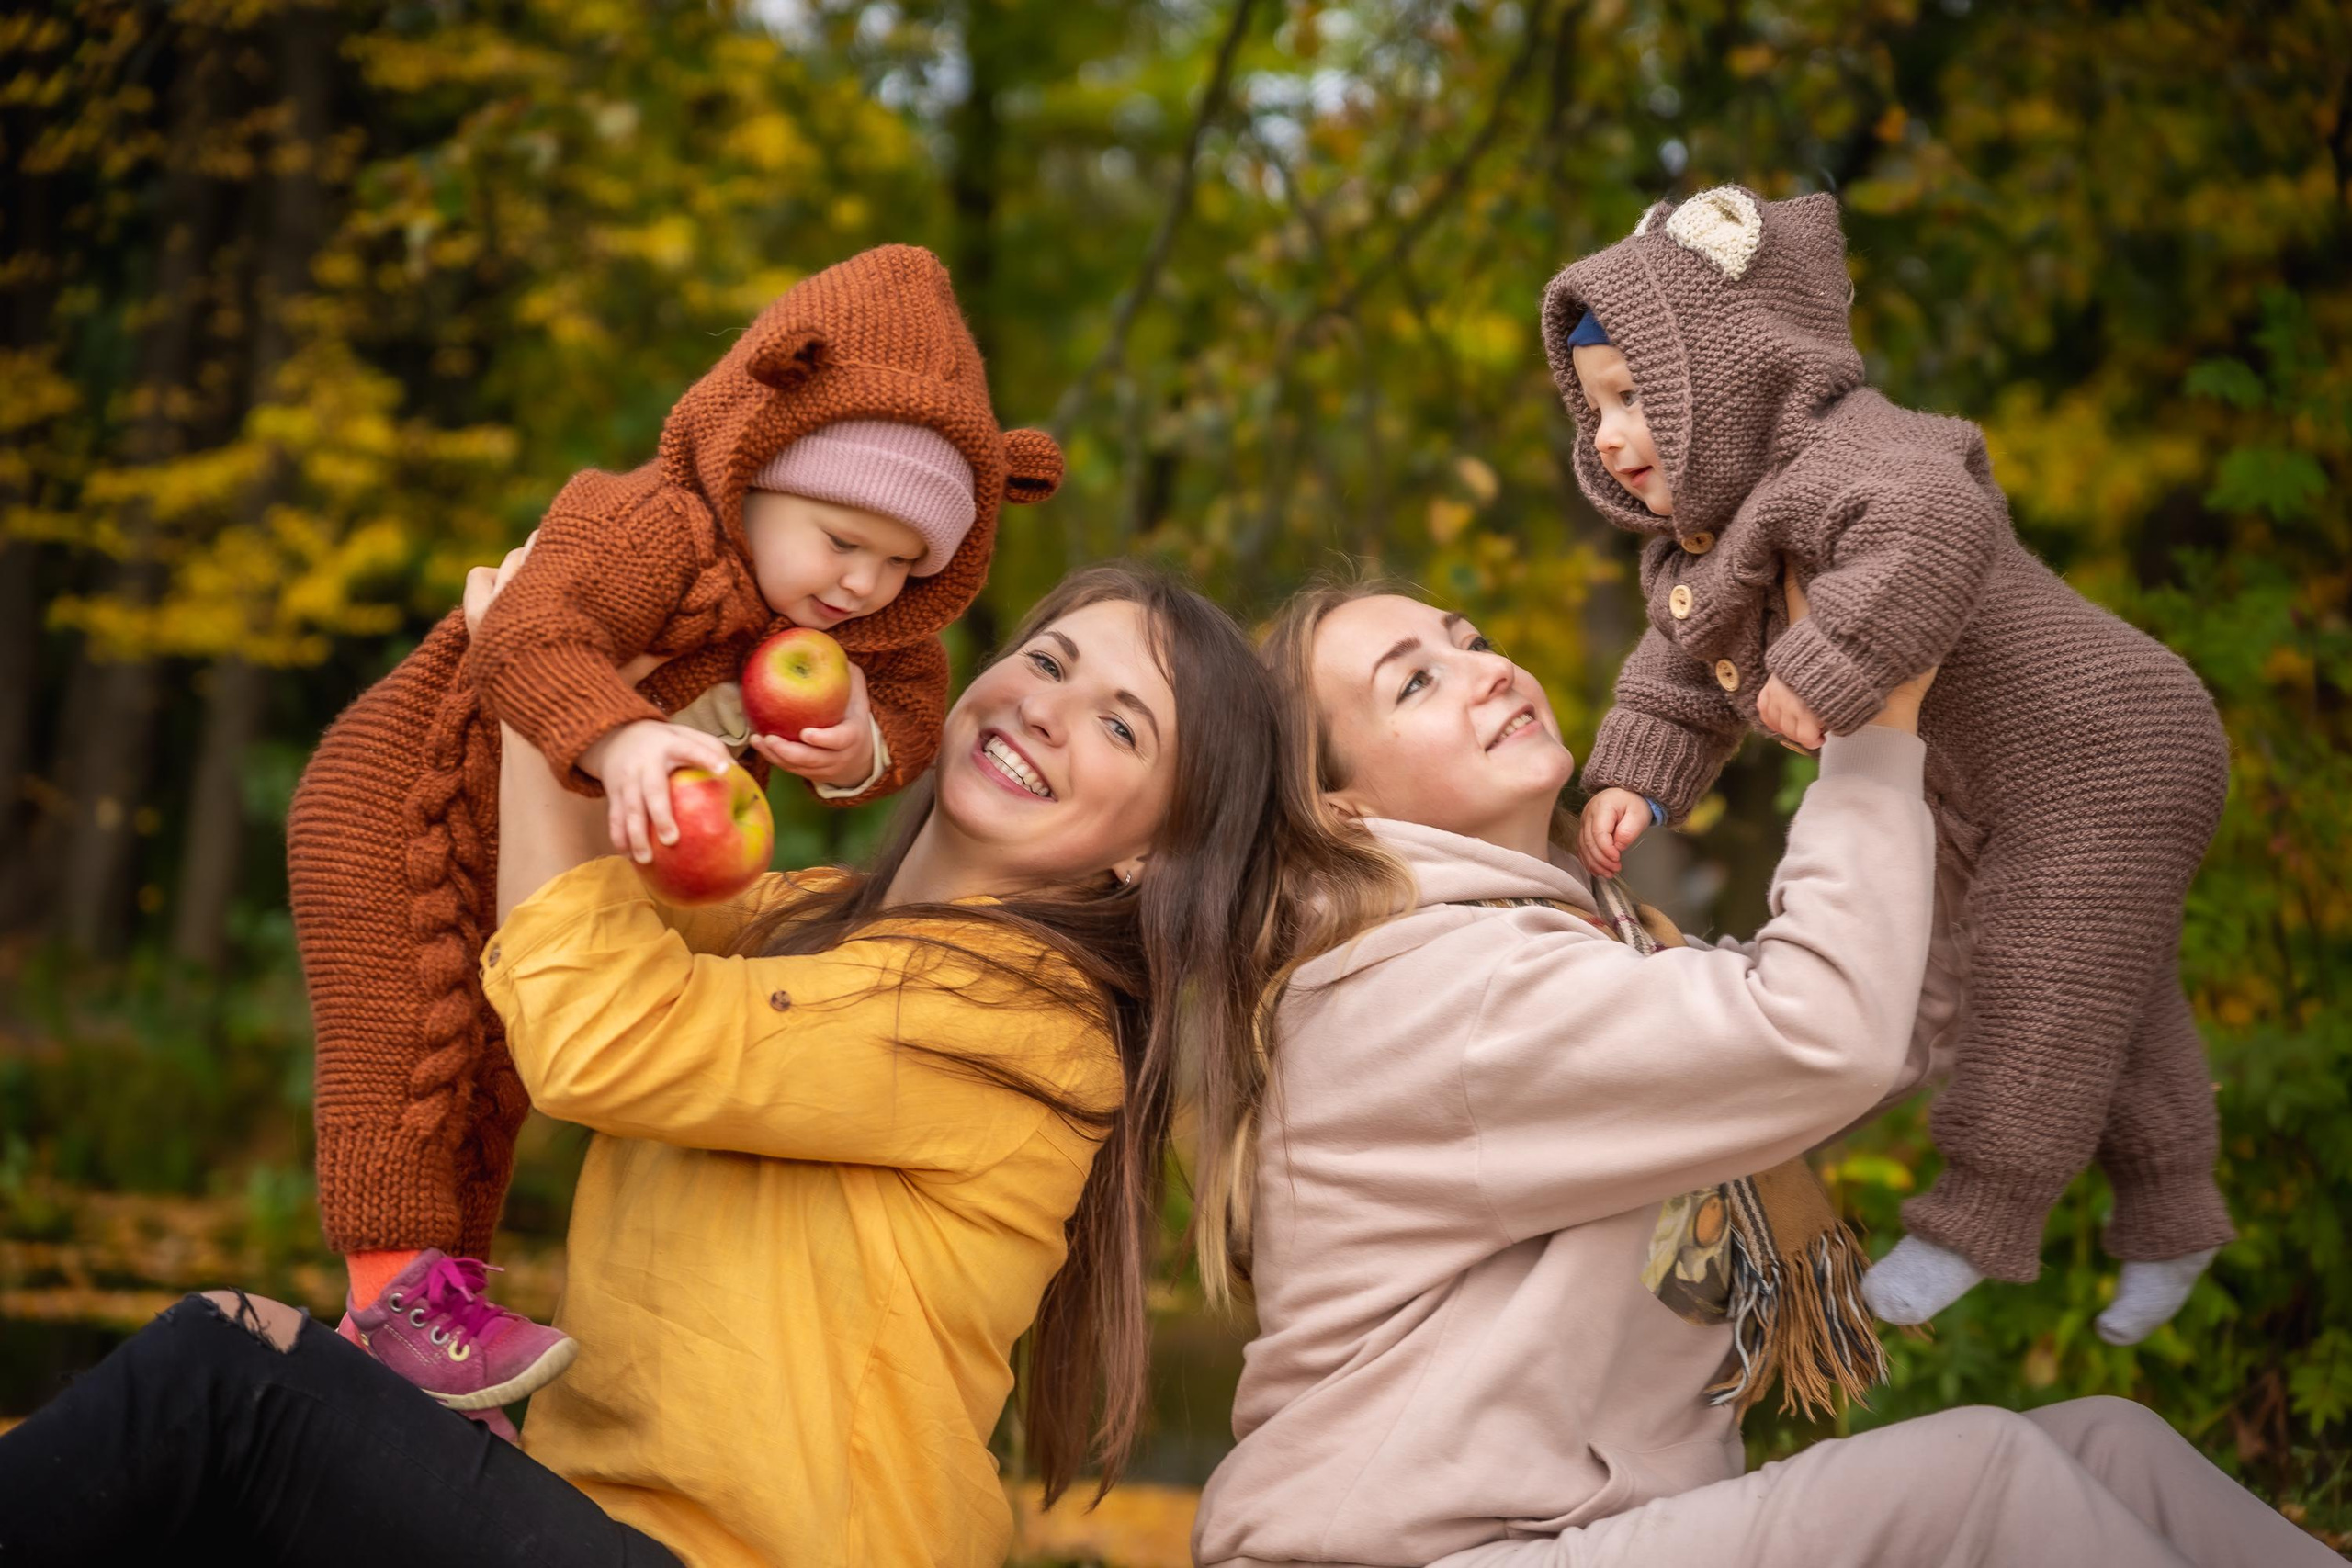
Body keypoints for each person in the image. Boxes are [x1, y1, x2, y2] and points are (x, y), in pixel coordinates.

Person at [0, 560, 1283, 1568]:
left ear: (1153, 857)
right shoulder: (798, 913)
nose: (1048, 709)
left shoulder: (1023, 1010)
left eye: (1121, 723)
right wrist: (622, 676)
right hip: (581, 1513)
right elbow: (549, 917)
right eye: (1048, 658)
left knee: (232, 1374)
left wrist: (546, 691)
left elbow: (597, 1034)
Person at [1186, 579, 2328, 1568]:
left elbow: (1861, 1018)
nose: (1483, 670)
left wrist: (2005, 813)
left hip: (1558, 1536)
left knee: (2109, 1450)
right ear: (1335, 805)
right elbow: (1819, 1032)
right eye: (1414, 684)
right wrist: (1871, 739)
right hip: (1408, 1556)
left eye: (1470, 639)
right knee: (1982, 1483)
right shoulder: (1422, 988)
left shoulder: (1563, 949)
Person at [286, 243, 1069, 1410]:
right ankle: (393, 1294)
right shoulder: (649, 531)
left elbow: (910, 716)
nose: (862, 586)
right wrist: (623, 738)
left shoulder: (862, 628)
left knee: (498, 1078)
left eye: (905, 564)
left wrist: (860, 745)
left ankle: (417, 1344)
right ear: (753, 470)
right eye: (840, 539)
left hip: (539, 849)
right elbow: (525, 630)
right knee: (409, 1059)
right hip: (398, 796)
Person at [1545, 186, 2231, 1339]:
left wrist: (1823, 665)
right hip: (1995, 783)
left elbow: (1933, 529)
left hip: (2100, 744)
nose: (1608, 437)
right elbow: (1675, 670)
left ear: (1733, 376)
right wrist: (1634, 776)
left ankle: (1980, 1217)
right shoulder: (1702, 549)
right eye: (1592, 408)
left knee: (2037, 985)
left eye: (1633, 399)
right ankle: (2174, 1212)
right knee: (2114, 993)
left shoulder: (1854, 450)